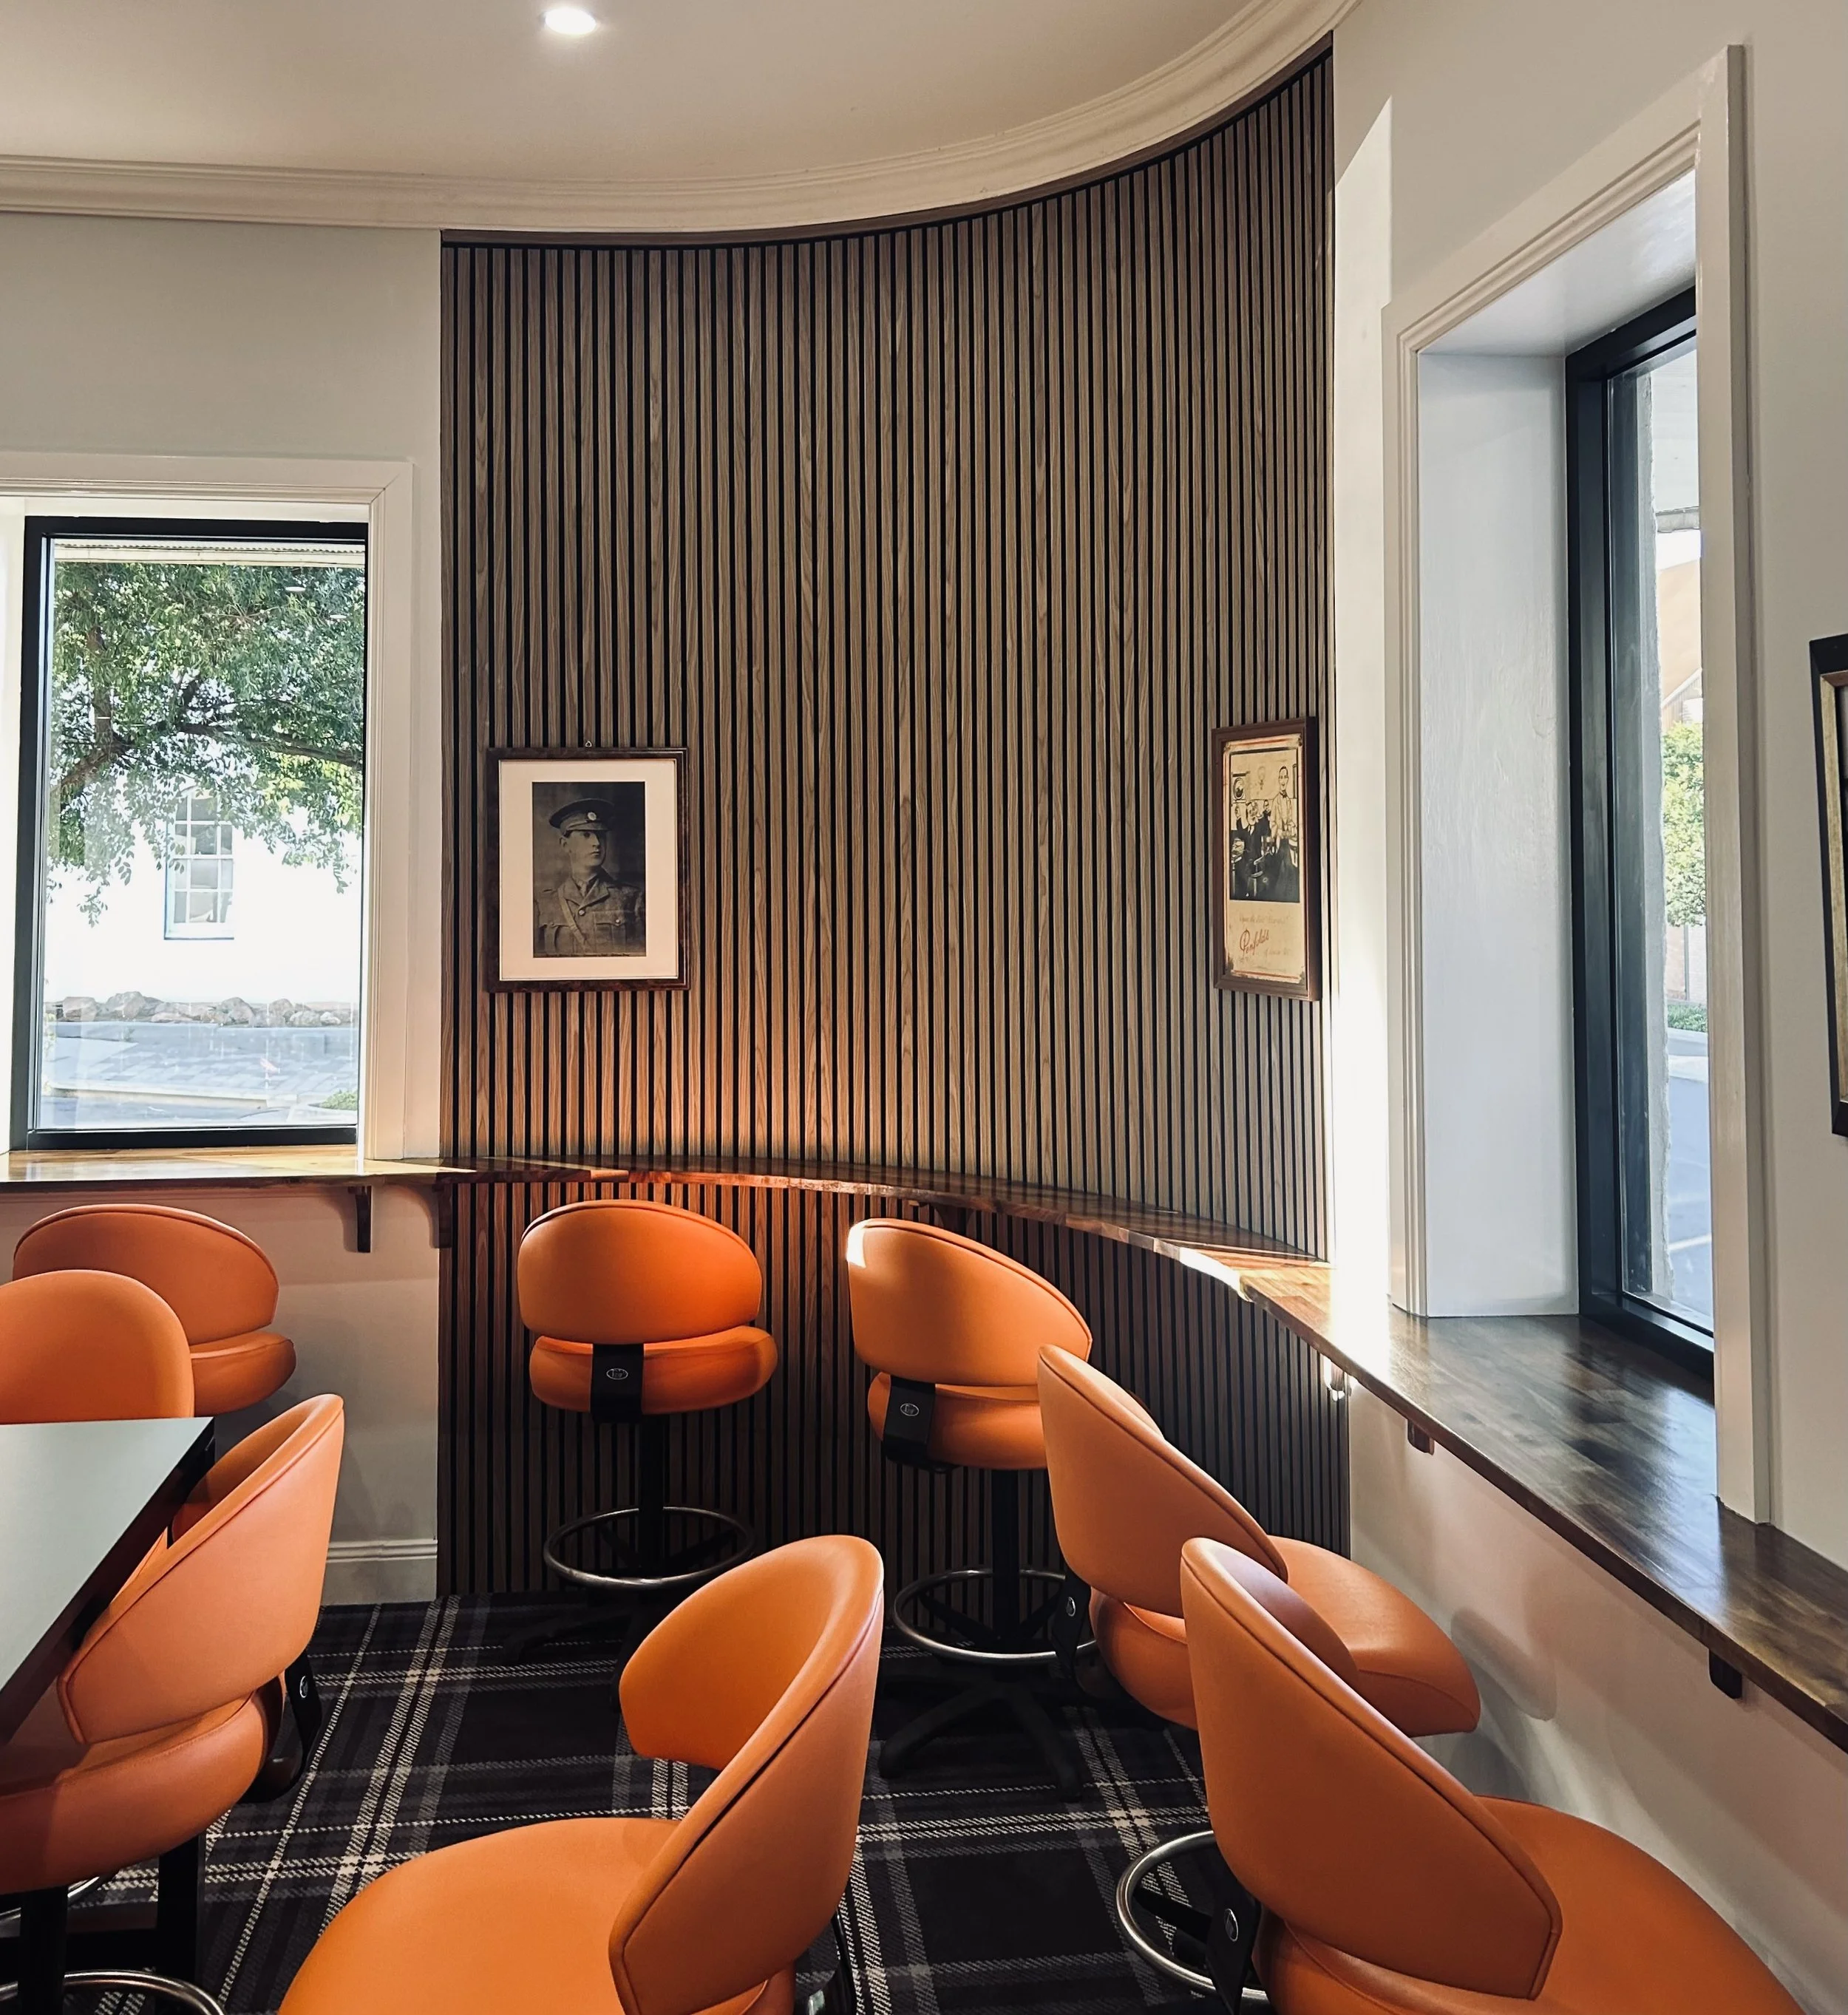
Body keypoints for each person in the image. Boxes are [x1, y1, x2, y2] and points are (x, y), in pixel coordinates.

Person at [534, 797, 645, 955]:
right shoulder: (544, 904)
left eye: (600, 835)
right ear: (566, 845)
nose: (597, 843)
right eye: (586, 835)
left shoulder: (632, 899)